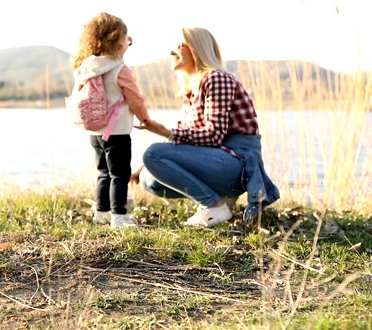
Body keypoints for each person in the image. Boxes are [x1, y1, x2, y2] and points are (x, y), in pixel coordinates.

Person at [132, 27, 280, 227]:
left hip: (236, 163)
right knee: (148, 178)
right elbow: (185, 138)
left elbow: (213, 136)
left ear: (196, 48)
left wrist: (164, 132)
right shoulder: (192, 89)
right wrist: (140, 167)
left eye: (178, 45)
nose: (171, 53)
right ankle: (215, 200)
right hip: (216, 160)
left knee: (153, 154)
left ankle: (214, 205)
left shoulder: (216, 78)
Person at [69, 12, 151, 228]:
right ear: (116, 42)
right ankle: (119, 216)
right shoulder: (119, 69)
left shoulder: (85, 69)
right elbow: (135, 98)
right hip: (118, 133)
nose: (128, 43)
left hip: (94, 133)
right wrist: (144, 118)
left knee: (103, 173)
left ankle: (101, 212)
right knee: (120, 174)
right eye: (127, 39)